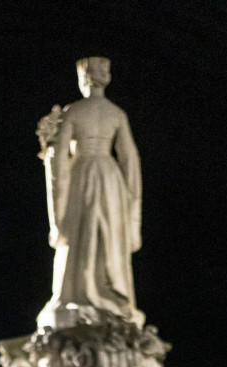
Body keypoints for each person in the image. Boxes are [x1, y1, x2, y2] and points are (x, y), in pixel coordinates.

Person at [38, 57, 142, 330]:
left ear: (83, 79)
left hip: (81, 174)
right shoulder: (117, 114)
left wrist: (56, 216)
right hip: (110, 179)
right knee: (109, 238)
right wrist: (133, 214)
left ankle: (77, 294)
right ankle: (111, 294)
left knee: (77, 235)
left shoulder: (73, 111)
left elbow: (59, 158)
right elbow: (130, 160)